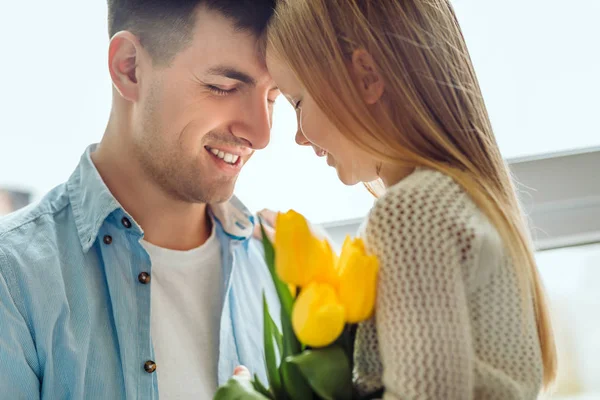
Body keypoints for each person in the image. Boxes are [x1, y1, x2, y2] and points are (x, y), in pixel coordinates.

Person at [265, 0, 557, 398]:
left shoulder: (410, 214)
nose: (299, 136)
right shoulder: (462, 199)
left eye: (297, 102)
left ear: (366, 77)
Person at [0, 1, 281, 398]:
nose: (261, 133)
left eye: (273, 97)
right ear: (129, 67)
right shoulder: (12, 282)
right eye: (224, 87)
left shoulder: (279, 269)